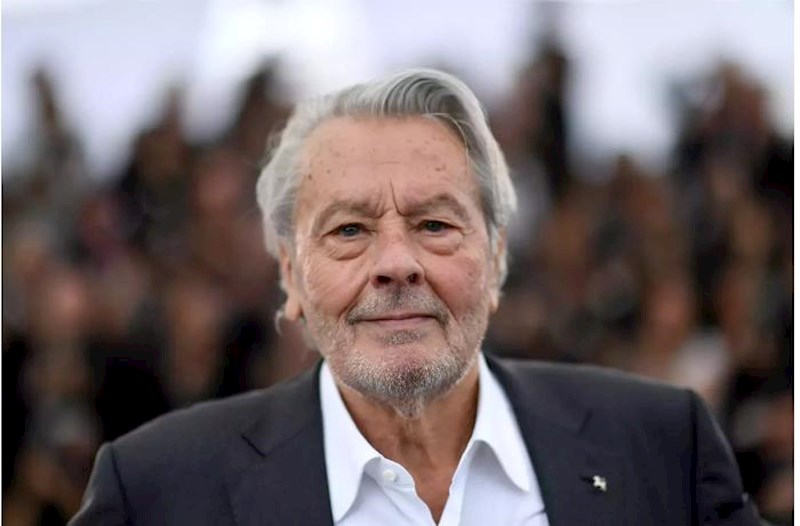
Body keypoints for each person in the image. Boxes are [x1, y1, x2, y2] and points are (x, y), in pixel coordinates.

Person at [69, 69, 763, 525]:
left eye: (435, 225)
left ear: (497, 257)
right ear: (291, 276)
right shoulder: (158, 491)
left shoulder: (661, 446)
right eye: (349, 230)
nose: (396, 264)